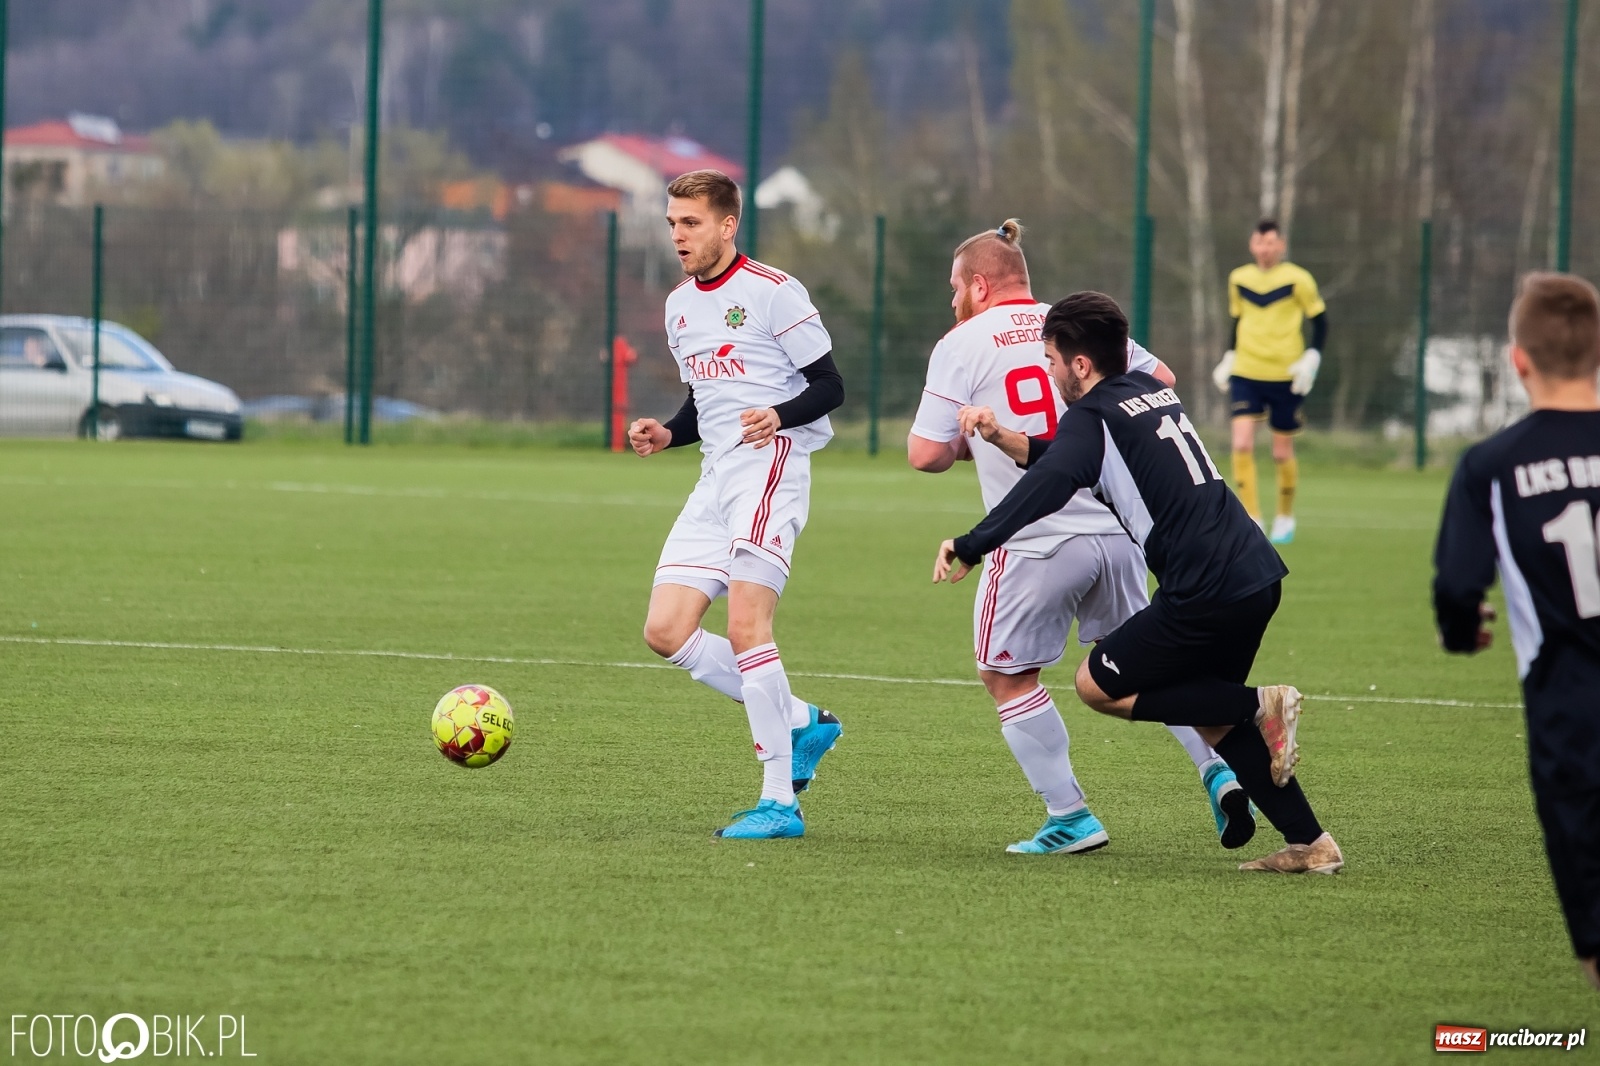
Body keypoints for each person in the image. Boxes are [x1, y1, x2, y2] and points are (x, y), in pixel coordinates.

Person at [940, 290, 1343, 874]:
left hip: (1204, 590)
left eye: (1051, 360)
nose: (1049, 373)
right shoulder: (1148, 393)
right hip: (1254, 574)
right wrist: (1002, 436)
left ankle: (1262, 703)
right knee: (1213, 717)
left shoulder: (1092, 416)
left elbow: (1050, 484)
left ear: (1081, 364)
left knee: (1094, 686)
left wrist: (972, 543)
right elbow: (1062, 458)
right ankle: (1312, 843)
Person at [907, 220, 1255, 856]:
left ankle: (1069, 815)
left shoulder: (961, 341)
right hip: (1118, 532)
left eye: (955, 287)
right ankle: (1219, 769)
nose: (951, 299)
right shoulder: (1068, 325)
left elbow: (925, 454)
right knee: (1153, 667)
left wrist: (985, 438)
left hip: (1035, 540)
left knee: (1007, 676)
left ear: (979, 286)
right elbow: (1164, 378)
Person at [628, 169, 845, 840]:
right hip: (714, 478)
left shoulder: (775, 293)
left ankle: (780, 802)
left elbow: (830, 386)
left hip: (770, 469)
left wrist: (777, 417)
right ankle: (804, 721)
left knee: (751, 629)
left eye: (690, 223)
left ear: (727, 225)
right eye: (671, 223)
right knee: (665, 631)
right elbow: (705, 405)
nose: (678, 236)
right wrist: (668, 432)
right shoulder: (678, 306)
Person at [1433, 272, 1600, 993]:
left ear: (1518, 360)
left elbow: (1458, 590)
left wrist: (1464, 630)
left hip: (1574, 720)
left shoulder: (1492, 465)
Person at [1211, 219, 1328, 545]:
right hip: (1247, 372)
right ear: (1252, 245)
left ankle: (1286, 515)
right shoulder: (1239, 278)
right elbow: (1238, 319)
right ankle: (1252, 518)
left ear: (1281, 245)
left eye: (1271, 243)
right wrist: (1230, 355)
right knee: (1242, 444)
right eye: (1260, 243)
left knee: (1280, 452)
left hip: (1286, 375)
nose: (1265, 249)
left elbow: (1319, 320)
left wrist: (1313, 356)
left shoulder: (1298, 279)